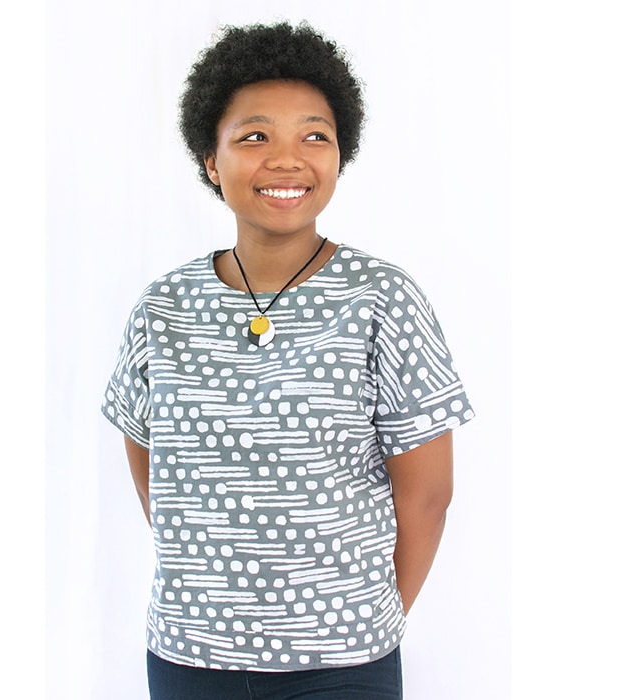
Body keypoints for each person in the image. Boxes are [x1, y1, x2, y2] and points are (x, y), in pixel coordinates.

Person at [101, 21, 474, 700]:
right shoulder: (163, 307)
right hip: (188, 655)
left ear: (339, 155)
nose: (286, 160)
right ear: (211, 160)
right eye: (254, 137)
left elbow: (428, 495)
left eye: (314, 136)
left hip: (343, 663)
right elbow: (149, 460)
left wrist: (367, 622)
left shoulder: (382, 299)